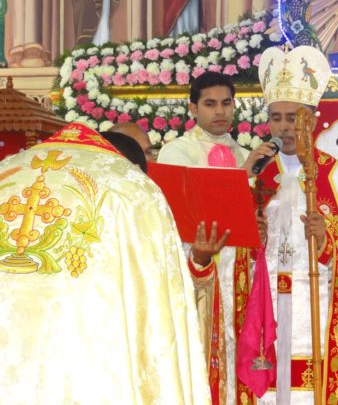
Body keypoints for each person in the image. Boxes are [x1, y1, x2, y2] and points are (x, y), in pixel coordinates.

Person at [0, 122, 211, 404]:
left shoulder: (7, 172)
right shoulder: (133, 187)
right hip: (87, 361)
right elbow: (157, 301)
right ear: (135, 164)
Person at [244, 45, 338, 404]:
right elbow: (234, 254)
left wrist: (327, 241)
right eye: (276, 117)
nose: (284, 127)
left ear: (311, 120)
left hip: (317, 308)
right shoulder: (256, 173)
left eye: (293, 117)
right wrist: (251, 238)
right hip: (264, 305)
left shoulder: (337, 176)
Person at [157, 71, 275, 404]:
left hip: (239, 276)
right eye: (210, 104)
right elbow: (182, 214)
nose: (220, 111)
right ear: (193, 109)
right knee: (201, 352)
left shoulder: (246, 154)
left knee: (238, 353)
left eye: (226, 103)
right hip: (197, 271)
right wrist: (243, 175)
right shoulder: (176, 153)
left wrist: (259, 228)